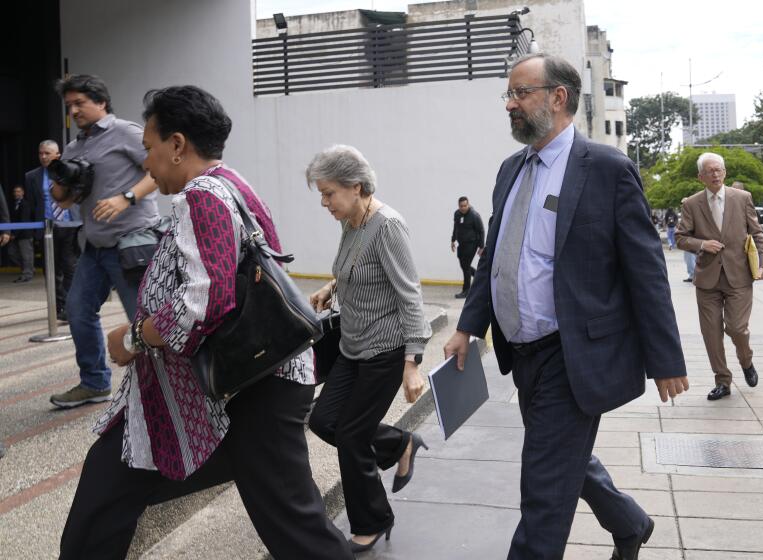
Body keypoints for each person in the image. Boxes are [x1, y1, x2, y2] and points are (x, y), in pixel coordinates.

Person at [59, 85, 353, 560]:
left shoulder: (204, 197)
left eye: (150, 150)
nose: (147, 166)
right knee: (110, 485)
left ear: (177, 145)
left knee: (297, 529)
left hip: (248, 389)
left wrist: (133, 336)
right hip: (241, 385)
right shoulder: (234, 184)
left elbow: (206, 299)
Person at [444, 53, 688, 560]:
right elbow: (495, 259)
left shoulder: (606, 169)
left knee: (543, 488)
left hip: (574, 353)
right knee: (561, 458)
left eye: (520, 93)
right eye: (507, 95)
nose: (509, 104)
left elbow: (646, 272)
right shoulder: (510, 169)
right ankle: (629, 522)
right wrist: (468, 326)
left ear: (558, 98)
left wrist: (666, 359)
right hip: (522, 353)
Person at [306, 144, 432, 553]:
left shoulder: (388, 226)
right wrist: (331, 285)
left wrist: (412, 362)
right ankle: (398, 444)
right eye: (322, 194)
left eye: (329, 194)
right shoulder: (351, 222)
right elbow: (353, 265)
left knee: (352, 436)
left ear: (356, 187)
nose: (325, 203)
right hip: (352, 346)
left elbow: (410, 296)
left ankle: (373, 520)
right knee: (324, 421)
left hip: (386, 350)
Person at [48, 75, 160, 409]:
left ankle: (162, 388)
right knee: (78, 311)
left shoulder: (124, 132)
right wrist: (61, 184)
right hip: (94, 247)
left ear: (101, 101)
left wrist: (126, 197)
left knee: (144, 318)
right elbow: (66, 201)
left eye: (80, 102)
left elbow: (159, 170)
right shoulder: (74, 147)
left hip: (132, 242)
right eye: (69, 105)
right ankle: (95, 383)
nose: (74, 110)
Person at [676, 152, 763, 400]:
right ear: (701, 177)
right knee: (711, 333)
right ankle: (723, 380)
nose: (715, 174)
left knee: (737, 328)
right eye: (710, 171)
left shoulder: (742, 198)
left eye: (719, 170)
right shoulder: (691, 204)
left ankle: (746, 361)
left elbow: (757, 234)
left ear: (725, 173)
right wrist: (702, 244)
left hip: (739, 276)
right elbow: (680, 238)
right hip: (707, 280)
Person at [25, 140, 82, 320]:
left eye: (47, 153)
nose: (43, 157)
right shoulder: (31, 176)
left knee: (70, 267)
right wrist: (29, 232)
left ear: (57, 155)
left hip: (70, 226)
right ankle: (59, 307)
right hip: (48, 229)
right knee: (51, 271)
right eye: (40, 153)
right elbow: (30, 205)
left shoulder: (69, 171)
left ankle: (71, 305)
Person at [451, 196, 485, 298]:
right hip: (462, 244)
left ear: (468, 204)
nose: (463, 208)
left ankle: (466, 291)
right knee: (463, 265)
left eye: (465, 205)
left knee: (465, 266)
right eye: (461, 206)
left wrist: (481, 246)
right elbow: (456, 227)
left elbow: (481, 230)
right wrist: (453, 240)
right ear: (459, 206)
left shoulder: (474, 215)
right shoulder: (457, 214)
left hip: (472, 244)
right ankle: (480, 276)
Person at [8, 185, 36, 282]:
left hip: (24, 234)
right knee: (12, 253)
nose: (16, 193)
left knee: (26, 255)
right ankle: (29, 268)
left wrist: (14, 234)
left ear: (23, 193)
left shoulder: (25, 204)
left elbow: (24, 220)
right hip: (16, 234)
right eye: (15, 192)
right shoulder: (13, 204)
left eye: (19, 191)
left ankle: (27, 275)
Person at [681, 197, 696, 282]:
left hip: (690, 238)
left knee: (690, 257)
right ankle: (692, 274)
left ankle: (693, 275)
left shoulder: (691, 212)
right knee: (689, 258)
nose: (682, 205)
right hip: (689, 238)